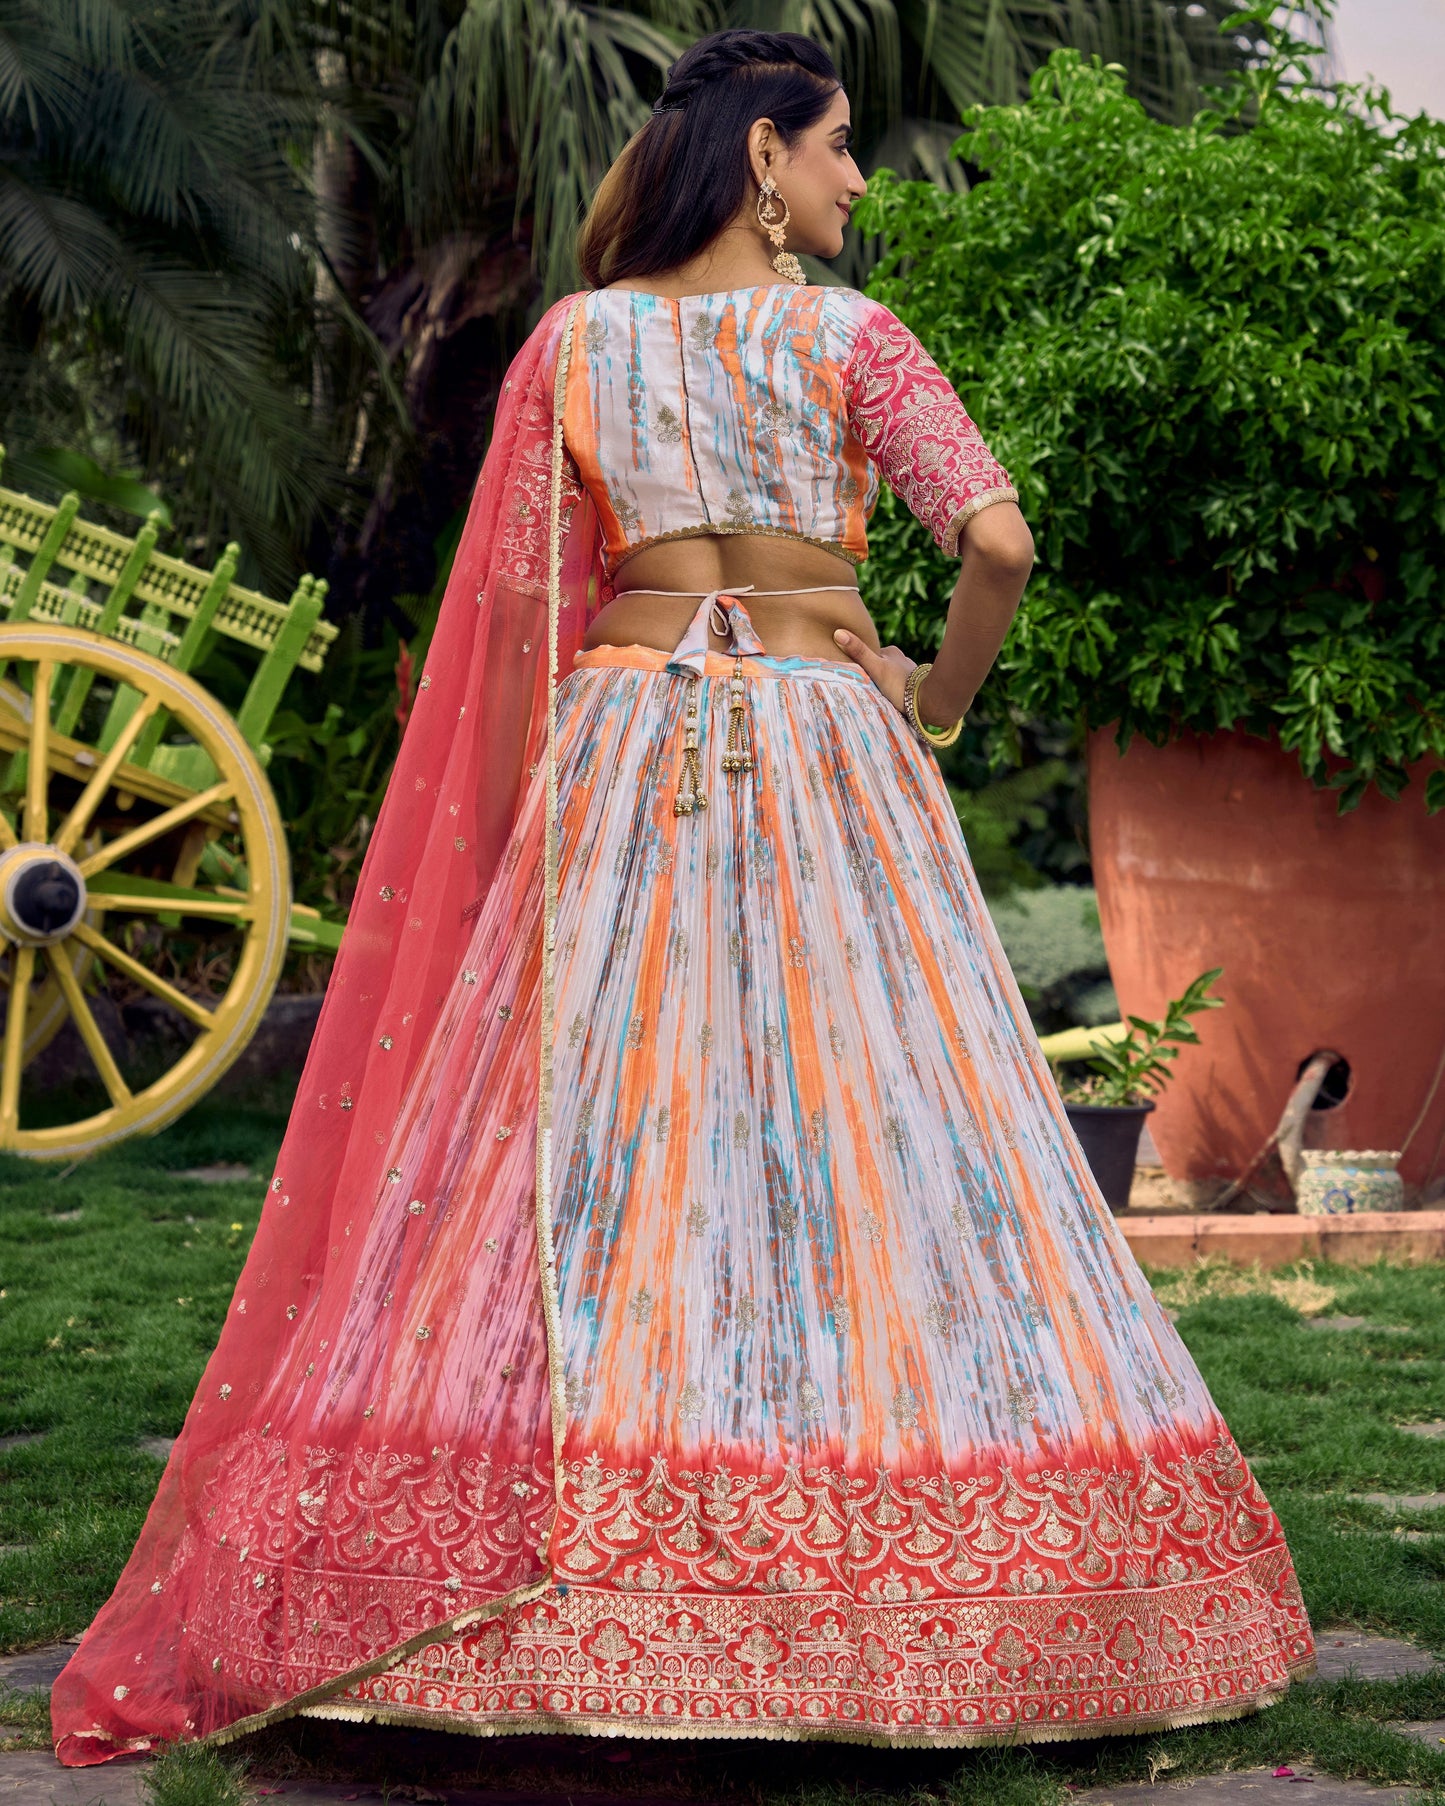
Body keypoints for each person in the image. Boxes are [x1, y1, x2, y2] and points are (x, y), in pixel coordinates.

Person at [52, 29, 1312, 1766]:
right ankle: (887, 1571)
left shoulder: (571, 347)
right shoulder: (847, 338)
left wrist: (511, 839)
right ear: (765, 165)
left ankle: (537, 1578)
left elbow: (509, 617)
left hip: (624, 744)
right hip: (814, 750)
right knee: (868, 1128)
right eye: (839, 146)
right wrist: (931, 701)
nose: (858, 177)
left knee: (596, 1136)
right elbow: (999, 543)